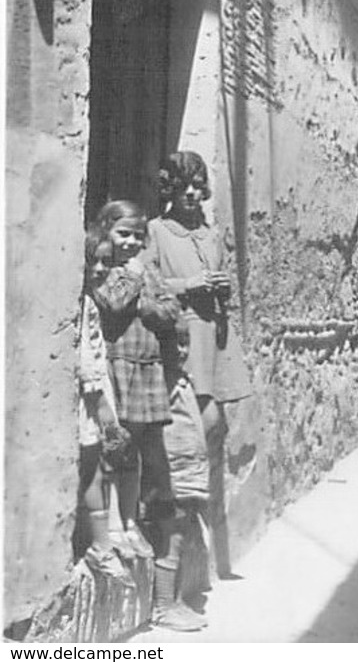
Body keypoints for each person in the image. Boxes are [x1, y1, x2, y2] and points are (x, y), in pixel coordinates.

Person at [143, 151, 252, 575]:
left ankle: (196, 526)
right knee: (194, 426)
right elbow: (147, 284)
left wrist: (221, 287)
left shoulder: (211, 234)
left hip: (215, 336)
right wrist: (189, 284)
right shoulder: (155, 231)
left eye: (197, 185)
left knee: (215, 424)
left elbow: (224, 283)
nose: (192, 193)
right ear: (170, 188)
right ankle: (179, 522)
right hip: (183, 337)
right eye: (183, 185)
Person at [91, 200, 180, 560]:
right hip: (119, 366)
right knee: (115, 447)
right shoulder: (105, 269)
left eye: (137, 236)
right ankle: (114, 523)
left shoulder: (146, 268)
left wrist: (150, 306)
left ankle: (130, 522)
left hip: (146, 366)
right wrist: (136, 278)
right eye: (122, 234)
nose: (130, 242)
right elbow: (111, 303)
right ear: (106, 231)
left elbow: (171, 308)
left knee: (138, 450)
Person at [77, 228, 133, 584]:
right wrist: (102, 409)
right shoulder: (81, 304)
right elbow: (86, 358)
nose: (99, 269)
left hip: (97, 392)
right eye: (93, 260)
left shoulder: (92, 299)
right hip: (90, 396)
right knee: (91, 468)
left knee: (100, 465)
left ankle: (107, 539)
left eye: (106, 262)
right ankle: (99, 546)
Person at [150, 319, 210, 632]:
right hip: (173, 473)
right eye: (177, 343)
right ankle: (163, 607)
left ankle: (175, 601)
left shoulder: (181, 378)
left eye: (187, 342)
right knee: (171, 537)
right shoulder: (163, 383)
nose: (184, 350)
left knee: (182, 533)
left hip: (189, 472)